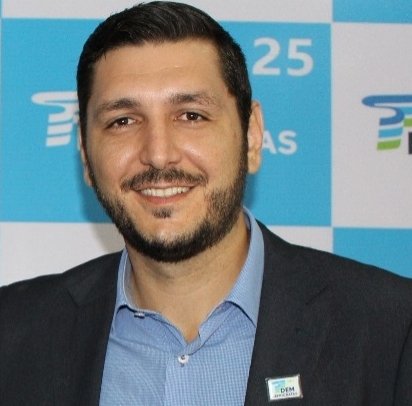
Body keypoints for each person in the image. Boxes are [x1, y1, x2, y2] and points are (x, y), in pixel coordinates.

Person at [1, 2, 411, 405]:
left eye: (191, 116)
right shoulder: (12, 334)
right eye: (123, 121)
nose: (158, 154)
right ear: (85, 153)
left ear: (251, 136)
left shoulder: (391, 331)